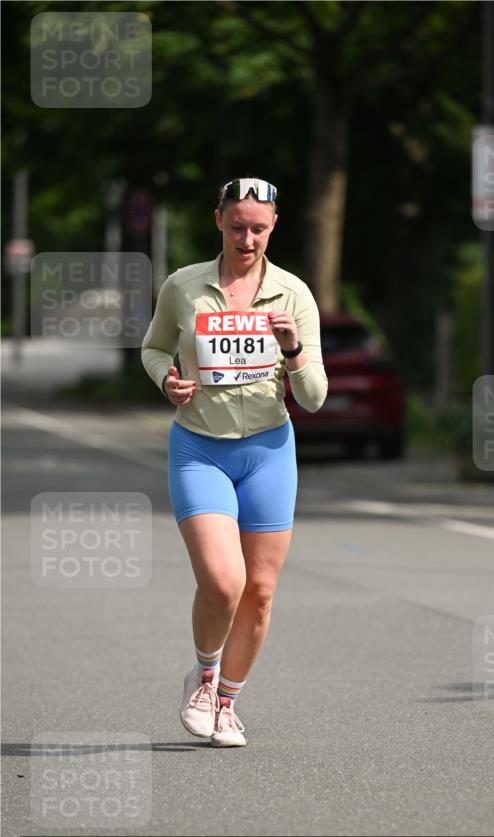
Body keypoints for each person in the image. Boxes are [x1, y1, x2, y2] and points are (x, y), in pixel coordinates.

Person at [141, 177, 327, 747]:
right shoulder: (184, 286)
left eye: (259, 229)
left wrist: (293, 348)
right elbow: (153, 347)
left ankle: (227, 703)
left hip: (269, 451)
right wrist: (165, 378)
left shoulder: (293, 292)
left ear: (274, 228)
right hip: (199, 446)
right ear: (217, 219)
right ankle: (203, 677)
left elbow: (316, 396)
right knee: (224, 583)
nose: (248, 239)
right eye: (238, 225)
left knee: (261, 590)